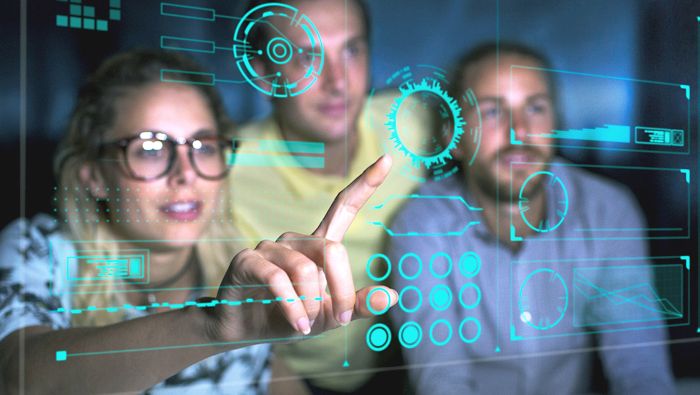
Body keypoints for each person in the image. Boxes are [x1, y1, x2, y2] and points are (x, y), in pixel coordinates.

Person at [0, 49, 398, 394]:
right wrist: (210, 326)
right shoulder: (38, 251)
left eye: (204, 146)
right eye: (152, 148)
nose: (186, 173)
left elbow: (273, 375)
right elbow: (18, 379)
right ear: (94, 175)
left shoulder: (240, 262)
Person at [388, 42, 675, 394]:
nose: (519, 131)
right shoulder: (420, 223)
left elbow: (638, 360)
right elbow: (440, 378)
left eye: (536, 108)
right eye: (493, 111)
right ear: (454, 139)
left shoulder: (608, 209)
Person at [228, 0, 428, 393]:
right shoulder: (220, 174)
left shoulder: (413, 120)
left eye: (351, 50)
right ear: (265, 74)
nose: (338, 81)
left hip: (413, 365)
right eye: (307, 57)